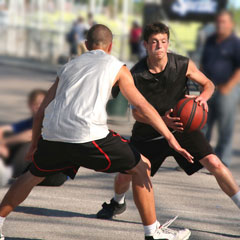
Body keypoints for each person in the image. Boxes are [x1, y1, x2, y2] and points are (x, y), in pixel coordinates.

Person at [0, 24, 193, 240]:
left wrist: (34, 145)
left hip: (53, 135)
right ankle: (153, 231)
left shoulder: (68, 67)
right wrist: (170, 137)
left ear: (86, 45)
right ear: (110, 46)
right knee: (143, 166)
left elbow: (40, 113)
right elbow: (143, 107)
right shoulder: (117, 66)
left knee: (31, 175)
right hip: (88, 135)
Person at [96, 22, 240, 222]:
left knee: (214, 162)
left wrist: (202, 98)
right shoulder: (135, 74)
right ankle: (117, 202)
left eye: (163, 41)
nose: (160, 46)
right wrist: (161, 120)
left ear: (168, 43)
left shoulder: (182, 64)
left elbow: (208, 84)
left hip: (182, 127)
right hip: (149, 132)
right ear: (145, 45)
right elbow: (137, 114)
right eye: (154, 42)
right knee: (125, 175)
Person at [0, 89, 67, 186]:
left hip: (55, 174)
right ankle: (8, 170)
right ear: (30, 105)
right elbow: (4, 129)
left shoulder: (51, 120)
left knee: (29, 143)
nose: (37, 107)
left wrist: (4, 142)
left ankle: (10, 172)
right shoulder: (32, 121)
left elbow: (30, 135)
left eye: (41, 103)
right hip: (37, 170)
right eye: (34, 104)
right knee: (11, 135)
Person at [201, 10, 240, 167]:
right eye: (218, 21)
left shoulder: (235, 43)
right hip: (209, 90)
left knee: (225, 126)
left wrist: (229, 86)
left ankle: (222, 160)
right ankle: (199, 159)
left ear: (231, 24)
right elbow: (204, 63)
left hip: (227, 90)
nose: (220, 25)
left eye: (224, 21)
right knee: (203, 125)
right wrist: (202, 82)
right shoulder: (210, 40)